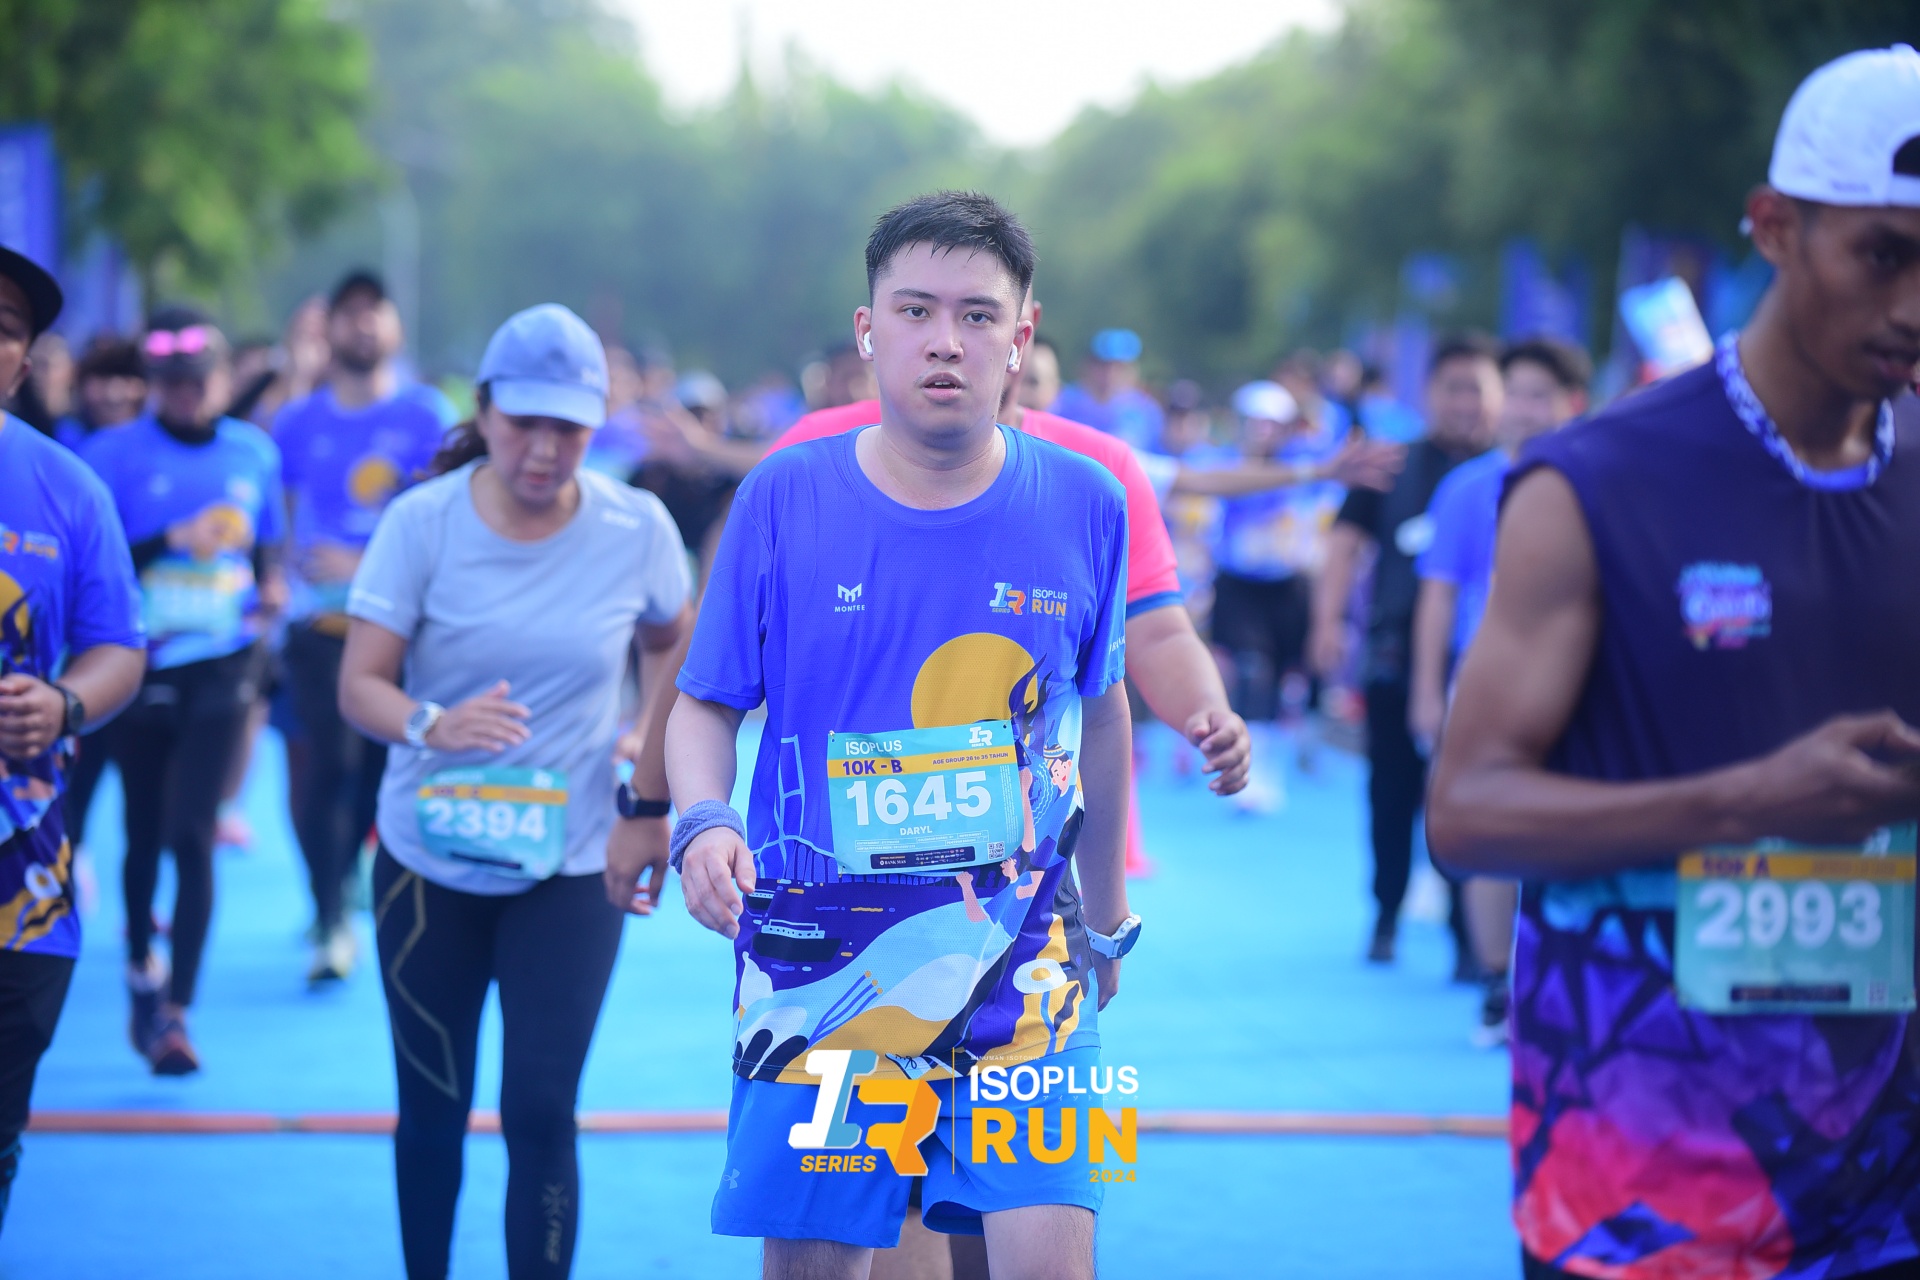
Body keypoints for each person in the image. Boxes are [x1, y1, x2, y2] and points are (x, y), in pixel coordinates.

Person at [1427, 45, 1920, 1279]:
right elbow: (1468, 811)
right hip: (1645, 1186)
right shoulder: (1598, 481)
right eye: (1884, 254)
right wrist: (1750, 800)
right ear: (1776, 227)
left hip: (1890, 1188)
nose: (1915, 302)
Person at [669, 191, 1136, 1280]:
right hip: (820, 973)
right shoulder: (782, 494)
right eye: (916, 310)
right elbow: (704, 699)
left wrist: (1108, 918)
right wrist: (702, 820)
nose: (945, 340)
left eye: (978, 315)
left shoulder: (1090, 500)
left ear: (1021, 336)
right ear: (869, 329)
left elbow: (1105, 709)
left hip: (1030, 965)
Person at [339, 302, 692, 1280]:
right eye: (523, 422)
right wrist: (432, 723)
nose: (542, 450)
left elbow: (675, 641)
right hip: (427, 862)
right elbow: (360, 683)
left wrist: (645, 735)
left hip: (571, 864)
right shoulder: (422, 522)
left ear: (598, 423)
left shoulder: (635, 525)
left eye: (567, 428)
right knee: (433, 1109)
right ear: (484, 411)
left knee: (541, 1110)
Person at [78, 305, 287, 1075]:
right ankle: (141, 967)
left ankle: (178, 1013)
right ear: (151, 385)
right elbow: (96, 563)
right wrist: (172, 540)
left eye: (198, 381)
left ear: (222, 379)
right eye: (170, 382)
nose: (186, 394)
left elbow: (266, 546)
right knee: (143, 829)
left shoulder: (252, 452)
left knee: (193, 833)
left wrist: (270, 585)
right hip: (141, 662)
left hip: (225, 660)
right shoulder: (110, 454)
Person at [0, 247, 147, 1234]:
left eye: (6, 329)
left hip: (21, 878)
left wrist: (63, 703)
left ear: (26, 361)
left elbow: (119, 649)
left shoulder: (68, 489)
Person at [1409, 337, 1590, 1045]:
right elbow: (1438, 595)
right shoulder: (1467, 489)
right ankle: (1495, 981)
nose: (1523, 408)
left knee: (1566, 833)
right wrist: (1428, 691)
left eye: (1539, 395)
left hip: (1577, 684)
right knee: (1489, 833)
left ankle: (1560, 979)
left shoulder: (1598, 478)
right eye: (1514, 393)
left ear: (1572, 404)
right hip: (1484, 684)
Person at [273, 269, 451, 983]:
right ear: (329, 329)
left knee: (380, 773)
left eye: (374, 309)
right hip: (320, 625)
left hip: (404, 629)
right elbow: (282, 523)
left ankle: (355, 893)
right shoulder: (296, 422)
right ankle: (329, 917)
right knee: (327, 769)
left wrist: (364, 558)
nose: (362, 323)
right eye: (347, 311)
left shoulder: (426, 415)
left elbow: (443, 514)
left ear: (394, 324)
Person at [1310, 332, 1500, 969]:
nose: (1465, 403)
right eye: (1454, 388)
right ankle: (1386, 913)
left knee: (1470, 798)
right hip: (1396, 657)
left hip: (1484, 665)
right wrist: (1328, 622)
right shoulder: (1392, 465)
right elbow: (1343, 544)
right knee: (1391, 793)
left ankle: (1470, 938)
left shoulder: (1516, 472)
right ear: (1429, 393)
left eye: (1478, 389)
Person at [1205, 381, 1349, 800]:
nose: (1263, 431)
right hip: (1240, 586)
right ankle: (1253, 773)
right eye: (1255, 422)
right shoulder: (1224, 467)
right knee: (1253, 672)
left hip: (1289, 586)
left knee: (1297, 675)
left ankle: (1293, 755)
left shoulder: (1304, 468)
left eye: (1272, 424)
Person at [1050, 327, 1165, 450]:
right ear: (1089, 365)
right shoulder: (1063, 402)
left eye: (1119, 366)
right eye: (1103, 365)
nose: (1111, 374)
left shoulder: (1146, 410)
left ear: (1133, 369)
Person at [53, 336, 148, 452]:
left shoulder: (157, 445)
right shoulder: (62, 438)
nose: (114, 396)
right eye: (103, 379)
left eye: (127, 380)